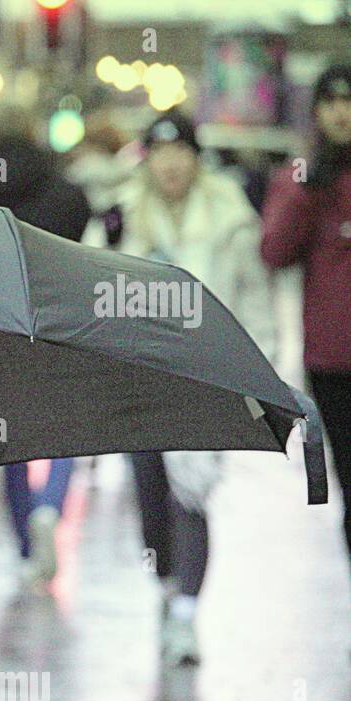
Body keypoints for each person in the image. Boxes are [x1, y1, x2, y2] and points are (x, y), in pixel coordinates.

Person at [90, 110, 278, 665]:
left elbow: (254, 303)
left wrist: (258, 379)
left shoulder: (230, 219)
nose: (172, 164)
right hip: (139, 378)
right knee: (150, 498)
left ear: (197, 159)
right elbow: (88, 289)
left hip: (207, 378)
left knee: (191, 496)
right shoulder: (120, 216)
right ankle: (168, 585)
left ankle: (186, 614)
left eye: (182, 153)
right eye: (161, 153)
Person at [0, 106, 92, 587]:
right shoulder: (62, 188)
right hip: (59, 320)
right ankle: (51, 507)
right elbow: (82, 234)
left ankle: (24, 547)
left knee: (11, 439)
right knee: (65, 431)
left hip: (1, 321)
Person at [261, 63, 351, 576]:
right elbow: (274, 250)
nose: (342, 112)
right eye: (331, 101)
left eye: (349, 100)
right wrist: (308, 188)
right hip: (333, 363)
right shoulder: (301, 176)